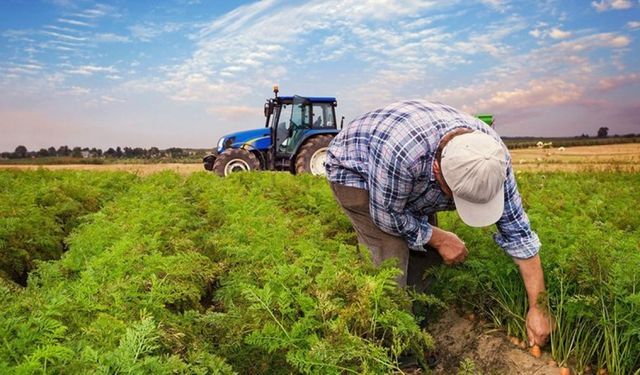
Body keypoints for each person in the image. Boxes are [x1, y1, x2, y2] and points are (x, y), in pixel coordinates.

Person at [325, 100, 550, 347]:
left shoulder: (492, 158)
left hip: (407, 175)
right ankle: (393, 344)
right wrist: (441, 238)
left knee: (426, 254)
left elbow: (519, 234)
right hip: (357, 171)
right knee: (390, 258)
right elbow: (387, 217)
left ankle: (418, 322)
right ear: (437, 170)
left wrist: (539, 307)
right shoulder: (402, 155)